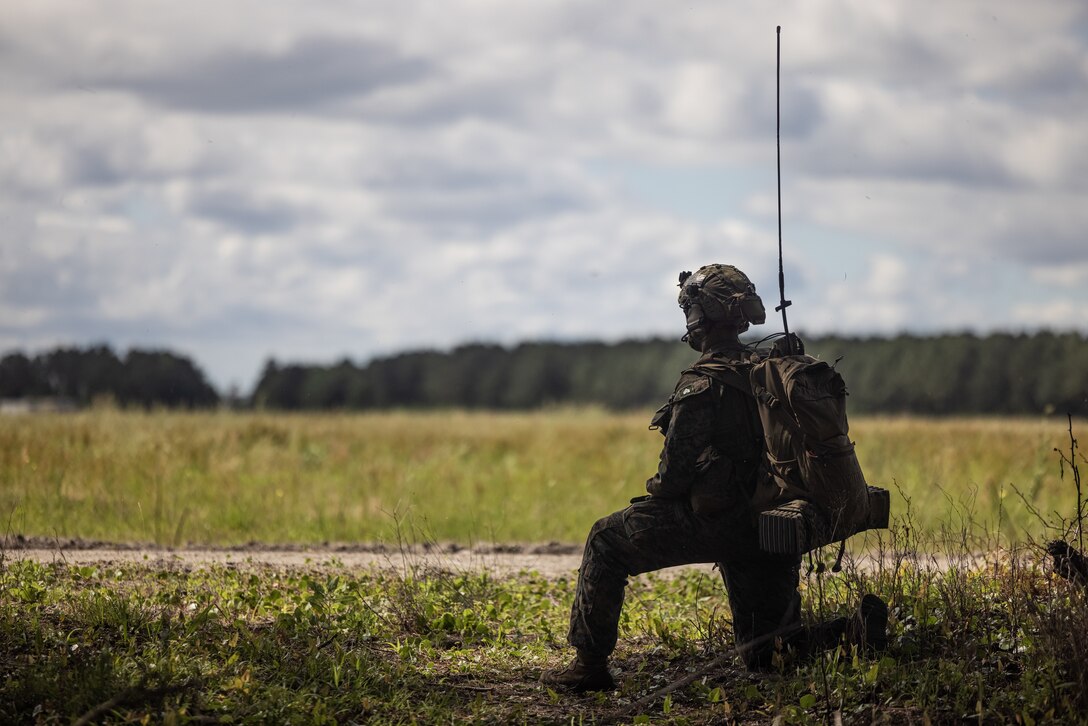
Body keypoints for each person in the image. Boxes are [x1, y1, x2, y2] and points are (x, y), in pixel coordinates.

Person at [540, 263, 887, 693]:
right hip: (771, 522)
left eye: (690, 309)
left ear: (699, 317)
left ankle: (587, 666)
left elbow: (674, 475)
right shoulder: (771, 367)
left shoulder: (701, 383)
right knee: (766, 653)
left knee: (606, 540)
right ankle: (854, 631)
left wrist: (655, 492)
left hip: (720, 523)